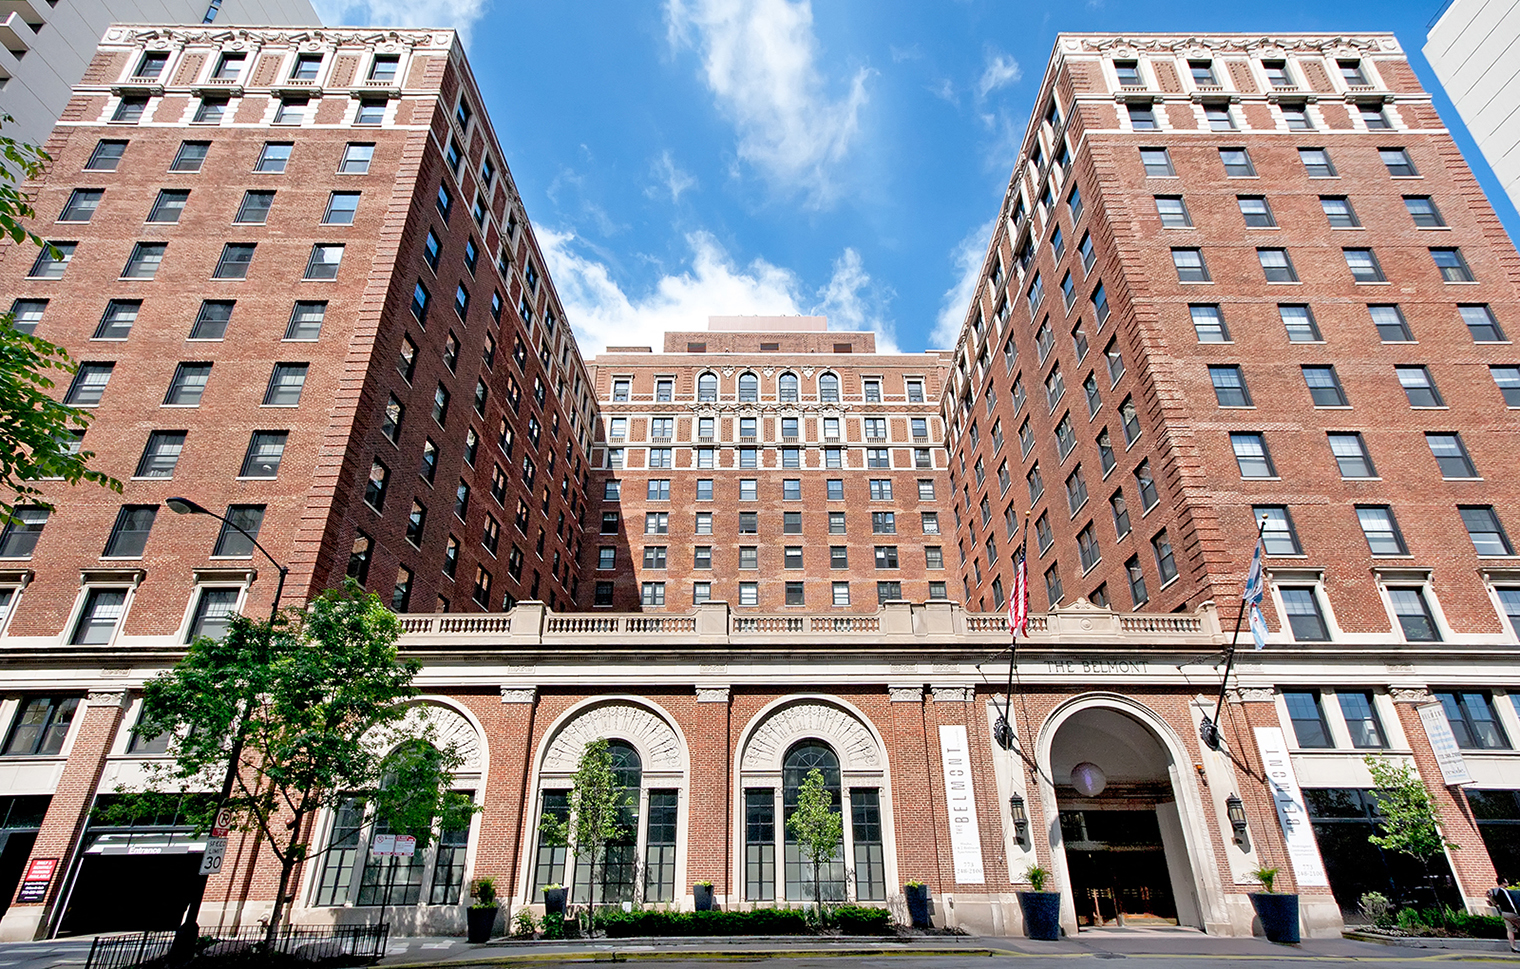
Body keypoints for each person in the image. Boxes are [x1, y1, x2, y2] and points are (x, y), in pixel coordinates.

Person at [1489, 877, 1520, 952]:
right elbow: (1511, 902)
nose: (1508, 883)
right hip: (1511, 912)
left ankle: (1513, 947)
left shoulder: (1494, 892)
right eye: (1506, 882)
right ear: (1503, 883)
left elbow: (1494, 903)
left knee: (1510, 930)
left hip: (1504, 913)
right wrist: (1516, 912)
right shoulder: (1504, 891)